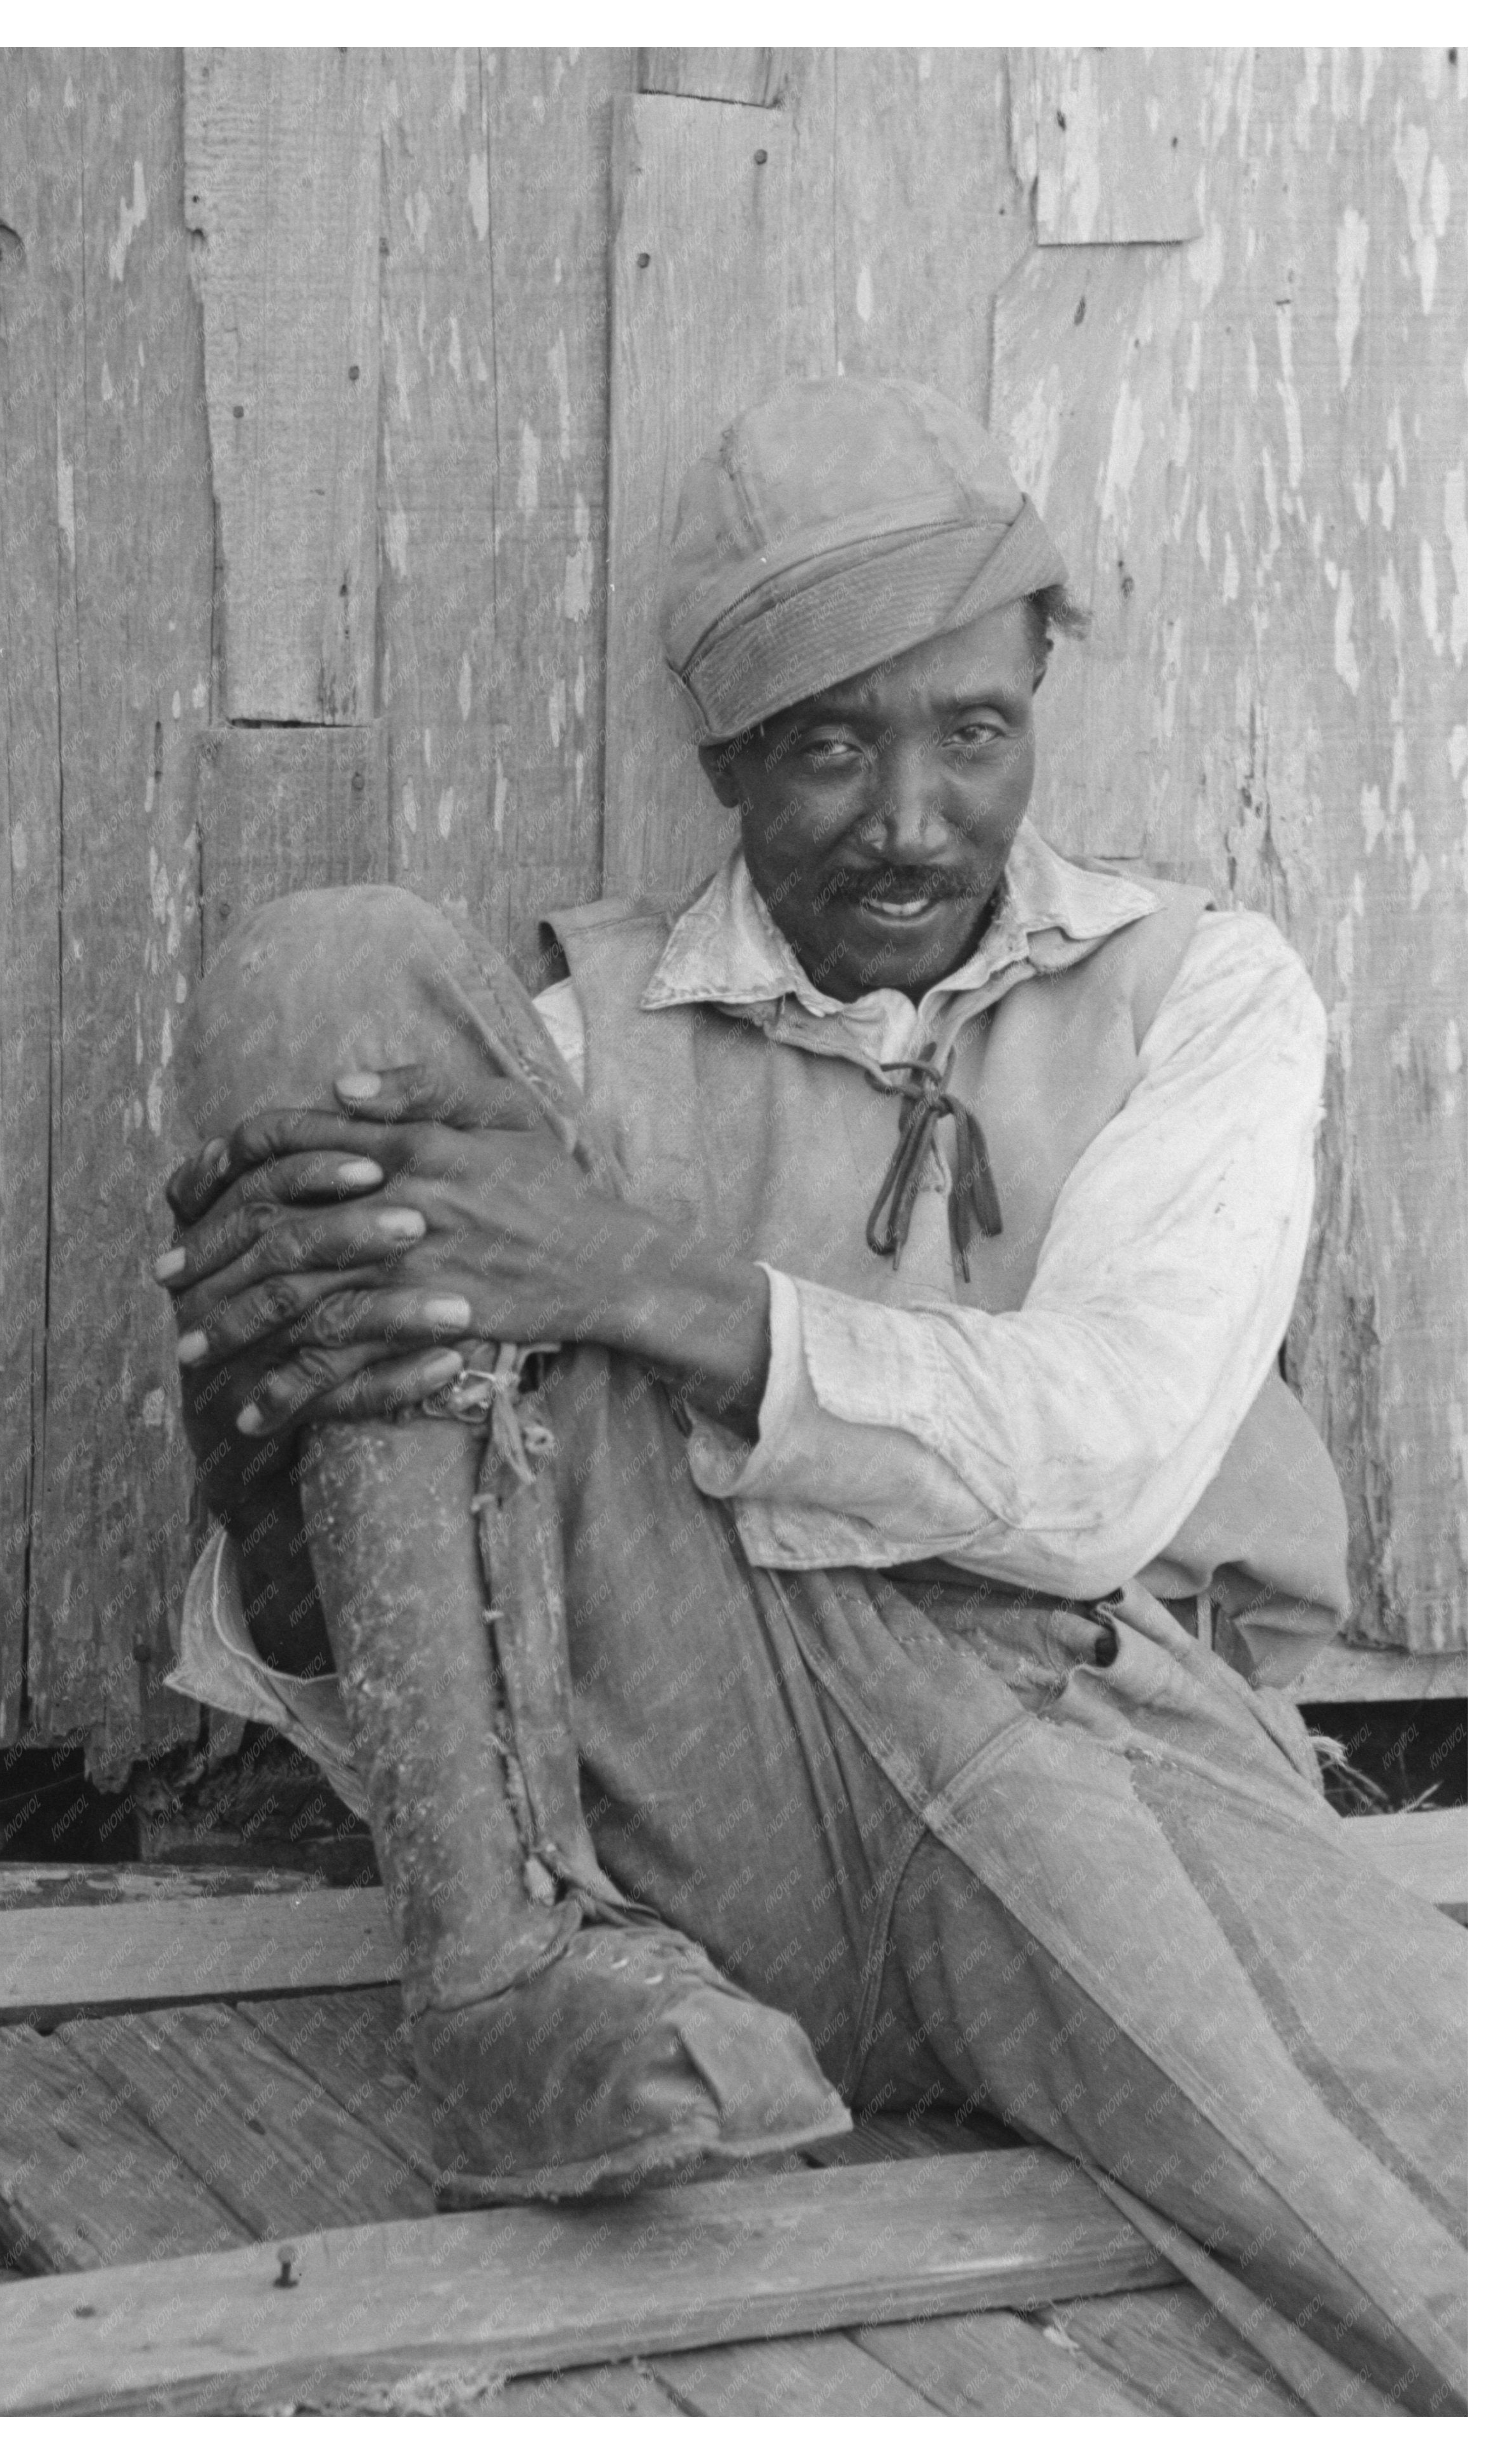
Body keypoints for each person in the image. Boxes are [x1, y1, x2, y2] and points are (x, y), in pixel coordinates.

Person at [156, 379, 1464, 2409]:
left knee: (1429, 2212)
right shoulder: (579, 1049)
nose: (913, 819)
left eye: (975, 732)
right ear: (727, 758)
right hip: (713, 1802)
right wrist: (274, 1462)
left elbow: (1109, 1464)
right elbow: (470, 1596)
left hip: (1092, 1748)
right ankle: (500, 1982)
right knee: (332, 984)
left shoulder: (1202, 993)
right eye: (832, 745)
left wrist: (633, 1279)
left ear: (1042, 697)